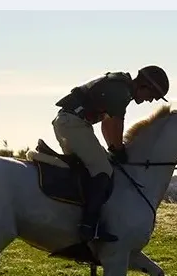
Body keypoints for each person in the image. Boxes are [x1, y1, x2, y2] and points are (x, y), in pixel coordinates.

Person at [52, 65, 170, 243]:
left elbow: (107, 124)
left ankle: (81, 219)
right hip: (73, 124)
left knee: (93, 169)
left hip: (71, 123)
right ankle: (89, 227)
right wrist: (118, 149)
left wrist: (114, 148)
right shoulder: (121, 92)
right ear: (144, 86)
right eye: (151, 96)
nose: (150, 101)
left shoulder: (122, 88)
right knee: (103, 170)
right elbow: (115, 124)